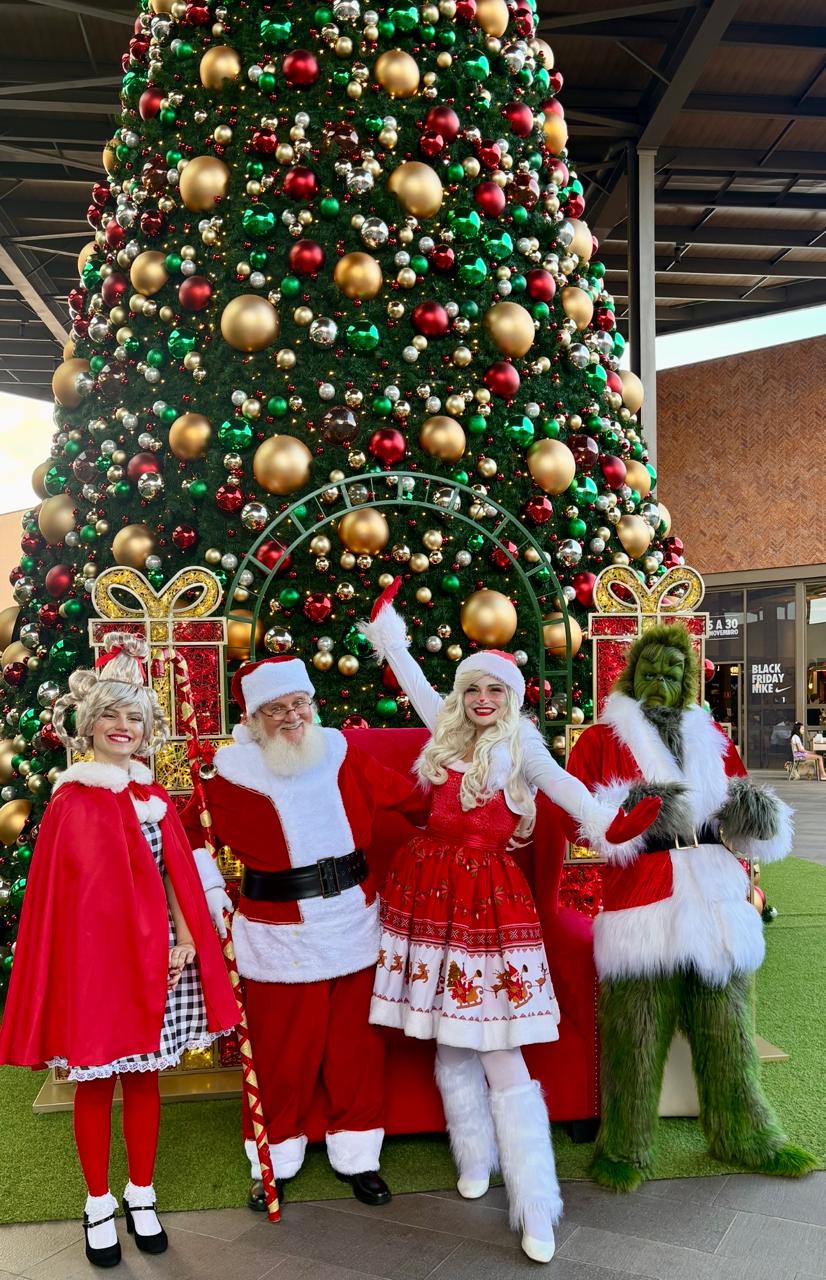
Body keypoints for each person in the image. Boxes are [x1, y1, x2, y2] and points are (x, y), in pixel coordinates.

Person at [360, 580, 660, 1265]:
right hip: (426, 894)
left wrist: (612, 825)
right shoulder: (444, 729)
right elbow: (408, 675)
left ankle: (536, 1202)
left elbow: (566, 789)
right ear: (462, 694)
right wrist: (390, 632)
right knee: (448, 1035)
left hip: (489, 904)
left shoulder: (521, 744)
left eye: (494, 691)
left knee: (499, 1047)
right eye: (473, 690)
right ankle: (474, 1157)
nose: (482, 700)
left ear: (513, 697)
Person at [0, 634, 238, 1269]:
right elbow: (69, 904)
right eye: (111, 714)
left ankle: (142, 1193)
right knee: (95, 1082)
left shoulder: (154, 801)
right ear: (89, 724)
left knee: (143, 1079)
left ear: (148, 727)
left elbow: (174, 877)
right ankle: (97, 1202)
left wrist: (185, 940)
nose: (123, 726)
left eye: (135, 716)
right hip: (99, 973)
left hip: (158, 963)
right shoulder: (73, 803)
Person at [560, 623, 816, 1192]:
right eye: (649, 671)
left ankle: (743, 1136)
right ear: (631, 675)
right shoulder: (602, 740)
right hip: (643, 901)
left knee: (727, 1028)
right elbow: (582, 817)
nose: (659, 681)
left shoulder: (714, 739)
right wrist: (632, 809)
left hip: (715, 892)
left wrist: (757, 813)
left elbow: (746, 822)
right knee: (634, 1033)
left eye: (671, 673)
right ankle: (623, 1147)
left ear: (687, 681)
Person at [184, 653, 425, 1212]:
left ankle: (360, 1157)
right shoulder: (224, 775)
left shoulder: (341, 753)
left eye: (299, 704)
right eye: (276, 709)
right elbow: (188, 837)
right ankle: (273, 1159)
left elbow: (413, 800)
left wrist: (470, 816)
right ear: (253, 718)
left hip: (354, 921)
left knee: (357, 1049)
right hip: (276, 934)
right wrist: (216, 893)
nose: (292, 717)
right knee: (281, 1057)